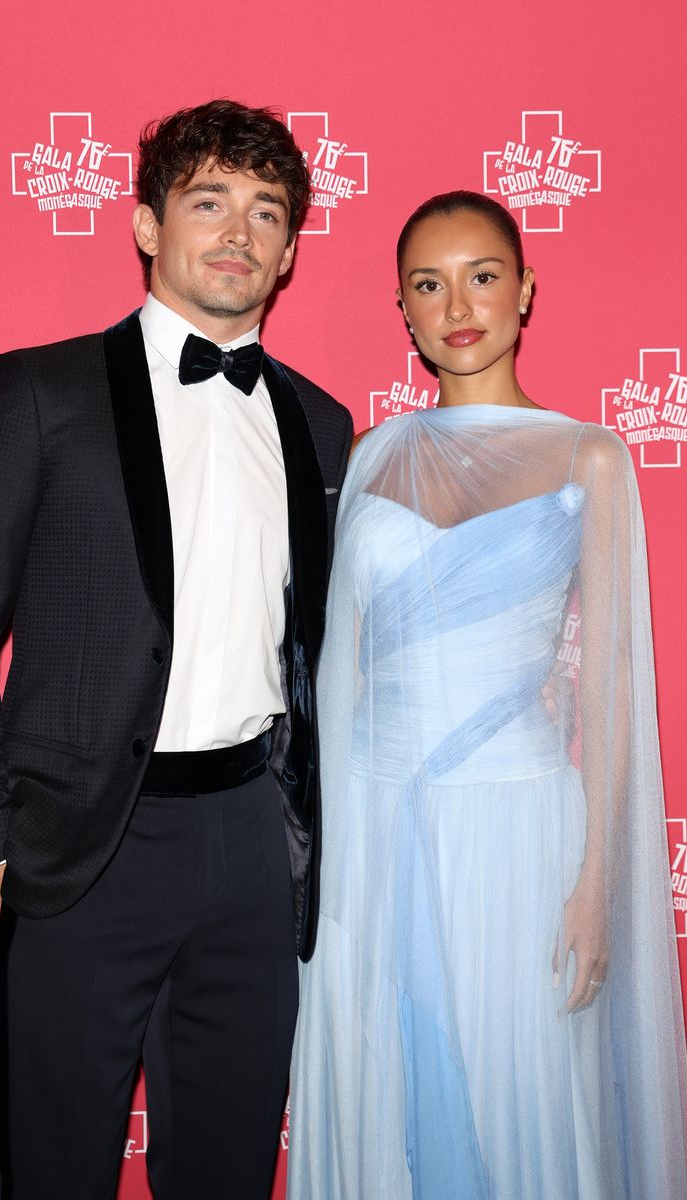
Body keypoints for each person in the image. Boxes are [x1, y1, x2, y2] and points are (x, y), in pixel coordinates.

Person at [0, 99, 352, 1200]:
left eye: (265, 212)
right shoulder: (40, 392)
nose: (238, 233)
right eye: (208, 202)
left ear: (292, 248)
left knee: (227, 1165)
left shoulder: (320, 422)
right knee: (53, 1170)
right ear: (148, 225)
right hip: (77, 850)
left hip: (251, 848)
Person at [287, 190, 687, 1198]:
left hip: (514, 831)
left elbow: (608, 695)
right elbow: (332, 667)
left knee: (517, 1090)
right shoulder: (370, 452)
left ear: (524, 291)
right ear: (402, 309)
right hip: (368, 830)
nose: (456, 303)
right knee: (382, 1080)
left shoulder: (587, 456)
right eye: (428, 283)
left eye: (481, 275)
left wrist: (598, 882)